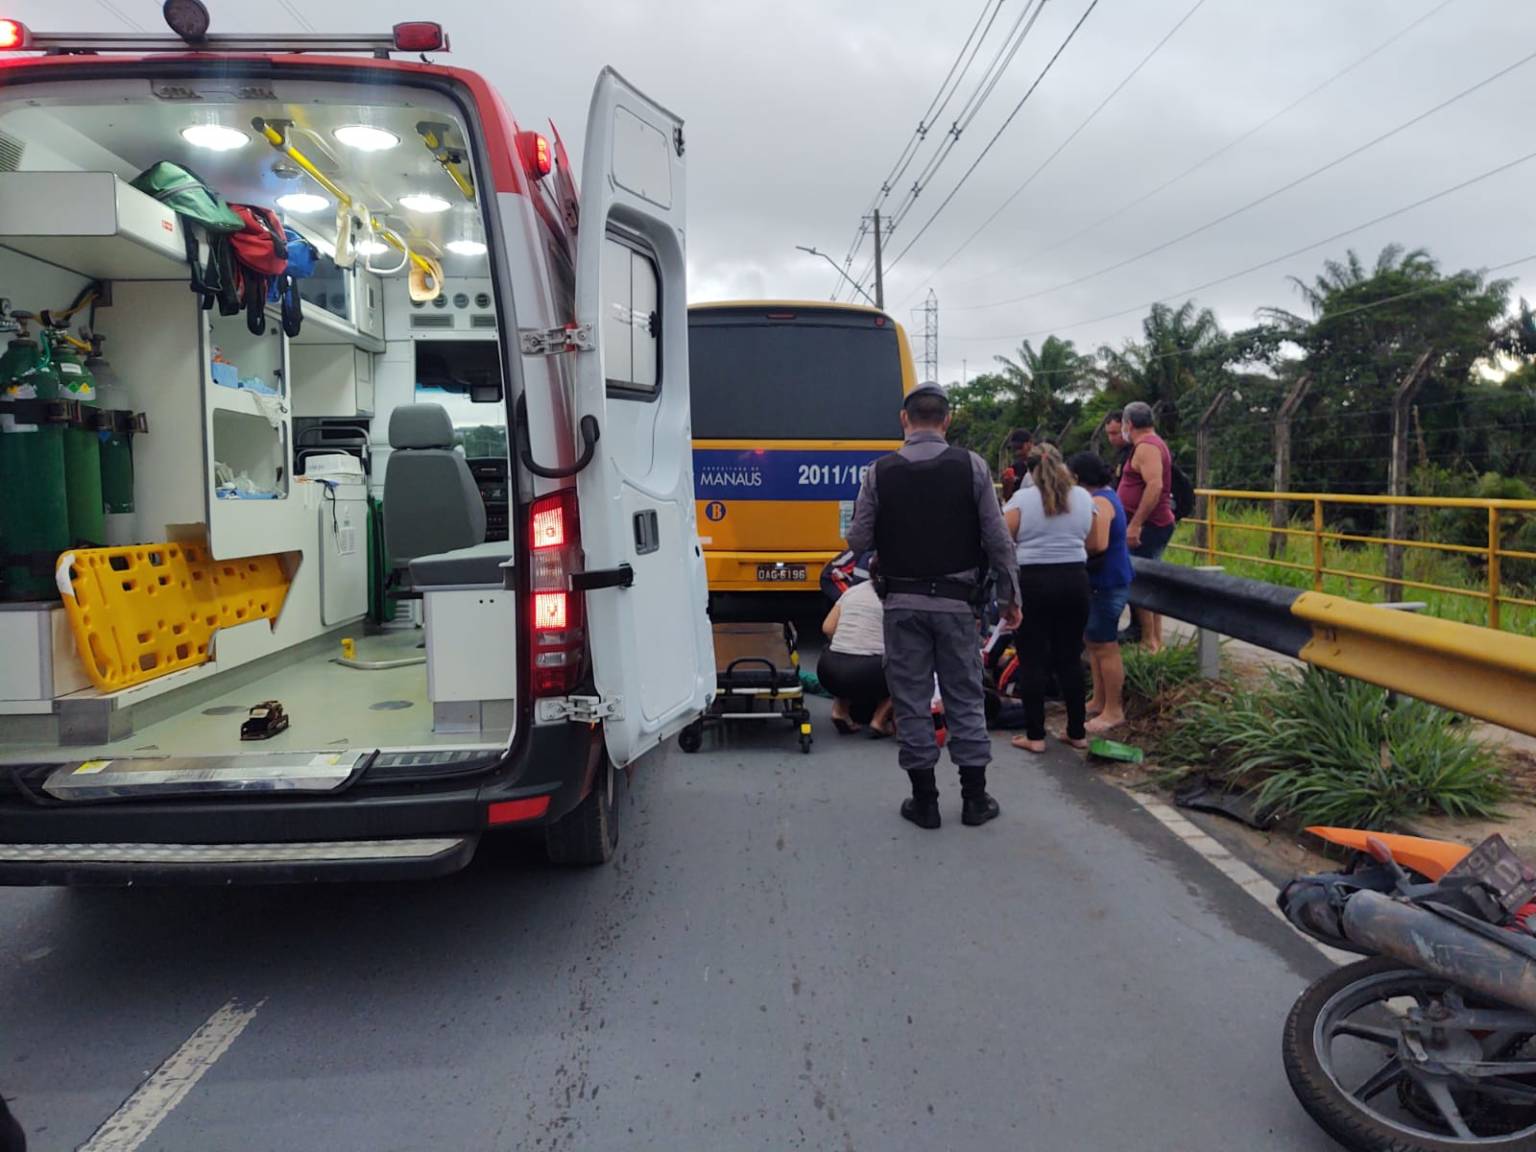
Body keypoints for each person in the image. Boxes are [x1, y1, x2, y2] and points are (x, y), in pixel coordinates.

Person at [846, 383, 1022, 830]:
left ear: (904, 420)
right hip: (958, 606)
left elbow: (857, 539)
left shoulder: (879, 472)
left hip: (901, 605)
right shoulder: (973, 466)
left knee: (911, 700)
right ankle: (974, 800)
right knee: (965, 698)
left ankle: (924, 803)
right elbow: (998, 540)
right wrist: (1010, 599)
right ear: (947, 420)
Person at [1003, 444, 1093, 754]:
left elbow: (1003, 538)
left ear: (1029, 470)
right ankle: (1077, 732)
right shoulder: (1083, 497)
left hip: (1034, 582)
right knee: (1070, 657)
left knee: (1033, 659)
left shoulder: (1022, 499)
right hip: (1075, 579)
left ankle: (1035, 735)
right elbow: (1094, 540)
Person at [1069, 451, 1133, 733]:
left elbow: (1098, 543)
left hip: (1107, 581)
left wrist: (1073, 544)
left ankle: (1113, 710)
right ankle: (1098, 700)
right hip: (1101, 580)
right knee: (1093, 642)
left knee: (1106, 646)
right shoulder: (1103, 496)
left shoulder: (1100, 502)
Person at [1117, 400, 1176, 654]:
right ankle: (1152, 639)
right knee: (1145, 579)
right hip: (1147, 524)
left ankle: (1151, 641)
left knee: (1141, 582)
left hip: (1149, 526)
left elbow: (1155, 485)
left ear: (1129, 423)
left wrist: (1135, 524)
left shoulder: (1147, 447)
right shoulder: (1148, 445)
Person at [817, 568, 894, 737]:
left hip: (829, 670)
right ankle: (879, 719)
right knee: (908, 667)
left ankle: (840, 710)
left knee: (842, 651)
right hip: (871, 672)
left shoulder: (853, 591)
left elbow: (828, 628)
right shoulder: (896, 596)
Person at [998, 428, 1034, 501]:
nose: (1016, 451)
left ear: (1030, 444)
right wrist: (1007, 486)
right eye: (1014, 448)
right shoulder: (1015, 468)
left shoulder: (1041, 465)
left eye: (1019, 447)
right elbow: (1008, 499)